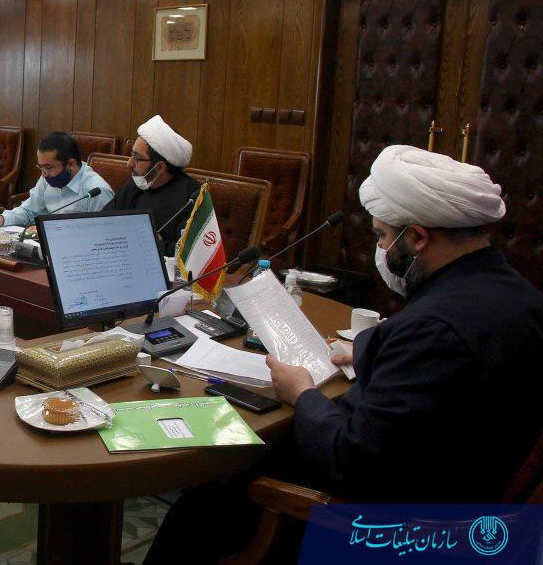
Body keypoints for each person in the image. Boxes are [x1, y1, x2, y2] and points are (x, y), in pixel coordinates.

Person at [145, 145, 543, 563]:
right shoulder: (521, 297)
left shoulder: (431, 330)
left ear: (417, 238)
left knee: (200, 510)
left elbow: (350, 461)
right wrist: (369, 348)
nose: (381, 248)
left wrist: (302, 393)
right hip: (474, 498)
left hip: (395, 528)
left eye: (382, 236)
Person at [104, 115, 199, 254]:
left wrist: (155, 243)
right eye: (131, 155)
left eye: (137, 158)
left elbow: (187, 251)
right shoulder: (137, 183)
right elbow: (104, 220)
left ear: (159, 167)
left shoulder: (193, 196)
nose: (129, 163)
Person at [0, 132, 113, 228]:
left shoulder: (97, 191)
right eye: (41, 167)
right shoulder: (48, 177)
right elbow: (29, 211)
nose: (43, 174)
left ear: (71, 164)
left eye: (48, 167)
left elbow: (102, 234)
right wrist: (2, 219)